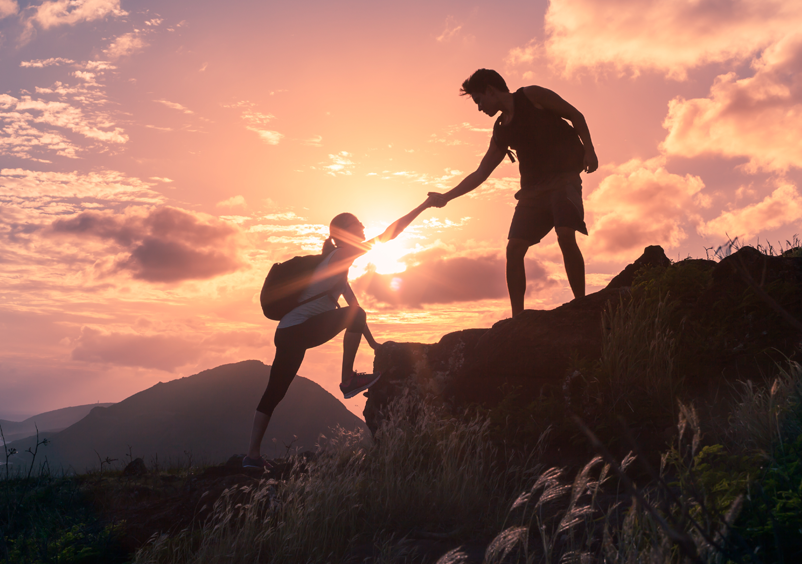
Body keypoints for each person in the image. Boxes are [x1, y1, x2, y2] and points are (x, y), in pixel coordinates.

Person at [244, 199, 432, 469]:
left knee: (274, 393)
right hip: (297, 330)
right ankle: (347, 380)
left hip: (288, 331)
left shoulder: (336, 265)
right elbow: (389, 235)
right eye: (358, 224)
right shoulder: (341, 255)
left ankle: (251, 456)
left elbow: (353, 308)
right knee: (276, 391)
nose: (364, 226)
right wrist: (423, 206)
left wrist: (373, 343)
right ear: (345, 232)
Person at [426, 68, 599, 317]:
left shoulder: (532, 95)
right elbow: (480, 173)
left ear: (490, 90)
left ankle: (581, 305)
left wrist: (590, 150)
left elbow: (575, 115)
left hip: (564, 180)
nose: (479, 108)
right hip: (532, 193)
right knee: (514, 249)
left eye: (479, 100)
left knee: (565, 234)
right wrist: (446, 197)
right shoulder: (501, 130)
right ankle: (517, 318)